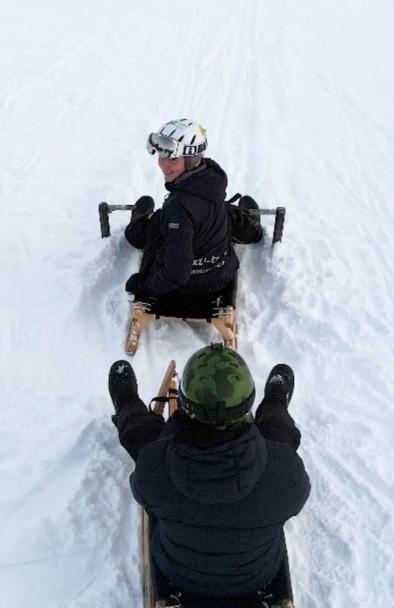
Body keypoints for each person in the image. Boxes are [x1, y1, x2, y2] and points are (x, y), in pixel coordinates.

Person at [108, 344, 311, 602]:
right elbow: (296, 496)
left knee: (142, 436)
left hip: (180, 573)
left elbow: (142, 491)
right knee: (278, 431)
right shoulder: (284, 473)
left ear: (183, 402)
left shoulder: (154, 466)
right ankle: (274, 402)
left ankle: (127, 405)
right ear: (247, 405)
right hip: (256, 576)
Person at [124, 118, 263, 303]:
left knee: (154, 225)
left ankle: (141, 222)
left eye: (172, 158)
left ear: (191, 160)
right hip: (221, 274)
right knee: (221, 211)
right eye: (161, 156)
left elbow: (177, 274)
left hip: (188, 287)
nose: (163, 165)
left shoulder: (178, 210)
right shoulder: (212, 180)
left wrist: (145, 287)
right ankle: (250, 229)